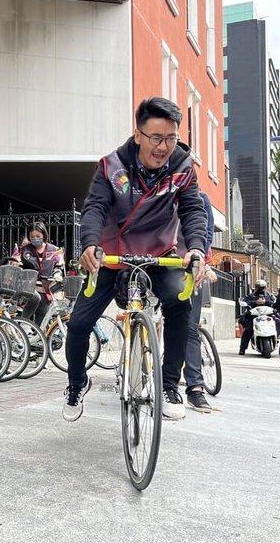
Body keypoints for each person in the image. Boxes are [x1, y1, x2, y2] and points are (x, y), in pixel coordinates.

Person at [62, 96, 207, 423]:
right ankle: (75, 384)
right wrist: (88, 244)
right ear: (138, 134)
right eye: (156, 138)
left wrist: (196, 248)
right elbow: (95, 208)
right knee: (79, 323)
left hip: (160, 254)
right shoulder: (111, 166)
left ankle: (170, 384)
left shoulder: (183, 166)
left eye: (171, 138)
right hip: (112, 255)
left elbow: (192, 210)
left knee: (180, 305)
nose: (164, 147)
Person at [182, 192, 218, 413]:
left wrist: (200, 259)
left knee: (189, 328)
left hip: (190, 267)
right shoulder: (152, 190)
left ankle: (195, 388)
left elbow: (207, 231)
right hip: (156, 262)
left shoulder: (200, 198)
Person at [19, 222, 64, 326]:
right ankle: (22, 326)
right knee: (34, 300)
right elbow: (21, 266)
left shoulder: (53, 250)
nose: (35, 239)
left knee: (41, 321)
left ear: (44, 234)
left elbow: (58, 267)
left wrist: (57, 274)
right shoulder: (26, 250)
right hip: (30, 288)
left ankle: (37, 340)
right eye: (32, 236)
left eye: (38, 236)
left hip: (46, 289)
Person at [238, 279, 275, 356]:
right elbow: (245, 302)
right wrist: (255, 302)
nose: (261, 289)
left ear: (265, 287)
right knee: (248, 330)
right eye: (259, 287)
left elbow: (274, 302)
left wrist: (265, 302)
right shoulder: (250, 296)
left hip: (267, 316)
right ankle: (242, 348)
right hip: (253, 316)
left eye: (262, 287)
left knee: (278, 323)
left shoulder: (269, 296)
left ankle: (276, 340)